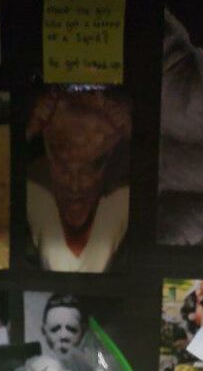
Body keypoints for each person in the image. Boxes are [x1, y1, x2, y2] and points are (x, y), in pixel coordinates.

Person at [27, 89, 131, 273]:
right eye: (64, 170)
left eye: (87, 171)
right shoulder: (35, 199)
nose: (74, 186)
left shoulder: (120, 204)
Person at [40, 293, 87, 360]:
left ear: (83, 332)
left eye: (71, 329)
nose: (63, 336)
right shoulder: (32, 368)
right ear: (44, 331)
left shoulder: (93, 369)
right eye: (55, 329)